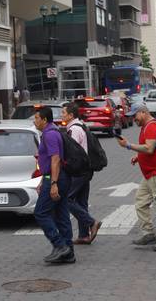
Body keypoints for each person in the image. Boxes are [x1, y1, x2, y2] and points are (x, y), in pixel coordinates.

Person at [117, 103, 156, 252]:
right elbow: (153, 148)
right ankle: (148, 233)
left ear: (143, 112)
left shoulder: (151, 126)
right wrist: (138, 157)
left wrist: (128, 145)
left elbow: (149, 148)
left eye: (135, 116)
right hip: (151, 174)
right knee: (141, 202)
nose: (134, 119)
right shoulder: (148, 126)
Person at [33, 106, 75, 264]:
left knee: (41, 213)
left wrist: (53, 183)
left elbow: (55, 159)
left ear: (44, 120)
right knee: (61, 215)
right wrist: (43, 179)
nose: (34, 121)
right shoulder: (53, 131)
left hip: (56, 178)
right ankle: (69, 252)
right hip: (56, 177)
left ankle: (59, 245)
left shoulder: (50, 135)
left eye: (36, 118)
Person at [61, 103, 101, 244]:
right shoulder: (81, 125)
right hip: (86, 169)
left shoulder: (74, 129)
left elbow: (73, 151)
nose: (62, 115)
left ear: (71, 115)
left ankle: (91, 222)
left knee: (67, 199)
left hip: (79, 170)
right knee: (81, 202)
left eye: (64, 113)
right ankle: (84, 235)